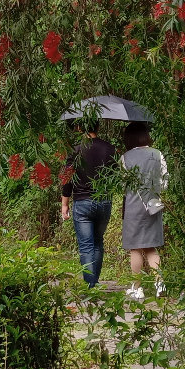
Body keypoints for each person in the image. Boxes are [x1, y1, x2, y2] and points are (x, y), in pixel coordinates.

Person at [60, 116, 116, 287]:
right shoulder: (109, 149)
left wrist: (64, 204)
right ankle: (95, 282)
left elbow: (67, 178)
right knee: (98, 242)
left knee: (86, 246)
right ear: (98, 127)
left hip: (82, 202)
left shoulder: (76, 150)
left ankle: (90, 285)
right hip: (104, 201)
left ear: (80, 128)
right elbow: (114, 176)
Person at [119, 121, 168, 301]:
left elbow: (124, 184)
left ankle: (136, 288)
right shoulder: (158, 154)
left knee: (135, 249)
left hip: (133, 208)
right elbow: (165, 181)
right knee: (151, 247)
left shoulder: (125, 158)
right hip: (153, 206)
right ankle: (160, 282)